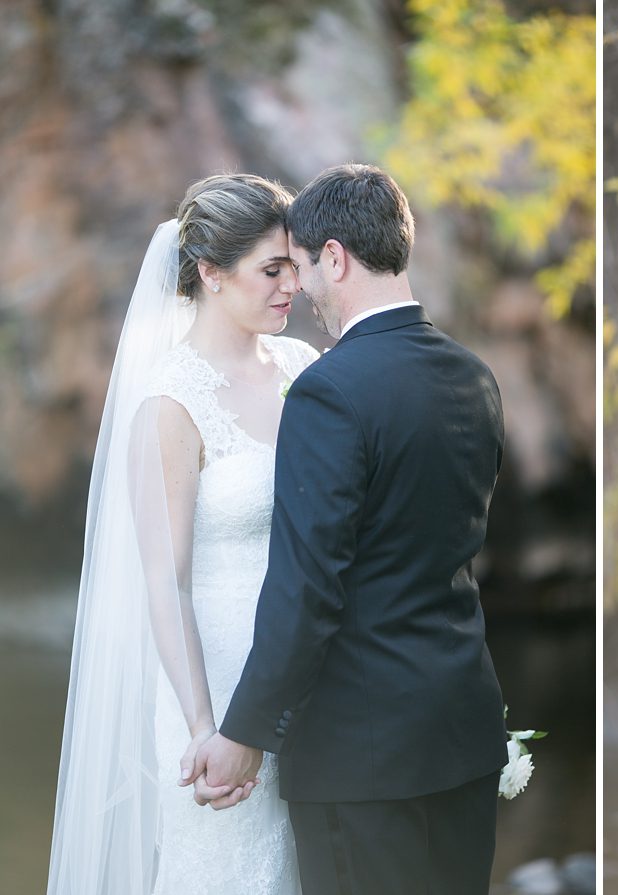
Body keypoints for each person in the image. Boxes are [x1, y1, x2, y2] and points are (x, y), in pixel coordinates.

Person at [184, 164, 509, 895]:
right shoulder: (475, 377)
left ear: (335, 257)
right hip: (464, 731)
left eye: (301, 267)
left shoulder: (328, 391)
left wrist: (244, 734)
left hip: (362, 756)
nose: (300, 289)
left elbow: (308, 588)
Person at [47, 173, 316, 893]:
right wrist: (204, 725)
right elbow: (167, 582)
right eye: (272, 269)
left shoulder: (303, 369)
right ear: (211, 272)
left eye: (294, 266)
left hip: (311, 680)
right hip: (217, 681)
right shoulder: (170, 401)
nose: (293, 285)